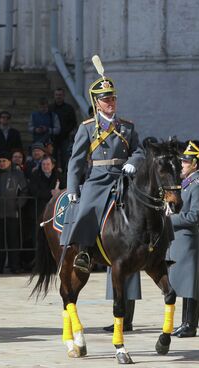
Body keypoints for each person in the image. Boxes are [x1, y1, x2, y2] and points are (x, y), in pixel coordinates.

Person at [61, 66, 144, 274]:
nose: (111, 103)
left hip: (124, 178)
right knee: (87, 210)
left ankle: (153, 247)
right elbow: (76, 160)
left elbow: (139, 151)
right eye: (106, 100)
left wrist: (133, 161)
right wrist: (72, 188)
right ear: (97, 103)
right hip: (99, 179)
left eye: (113, 99)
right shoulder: (87, 128)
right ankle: (84, 252)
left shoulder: (127, 127)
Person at [167, 142, 199, 338]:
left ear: (194, 164)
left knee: (190, 284)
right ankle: (184, 322)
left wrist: (169, 219)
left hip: (187, 239)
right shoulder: (185, 183)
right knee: (181, 284)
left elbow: (194, 217)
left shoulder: (198, 186)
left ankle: (191, 324)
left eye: (185, 162)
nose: (182, 165)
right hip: (178, 239)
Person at [0, 151, 28, 274]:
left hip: (12, 214)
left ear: (9, 161)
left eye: (4, 161)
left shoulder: (17, 174)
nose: (1, 163)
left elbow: (24, 191)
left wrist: (19, 204)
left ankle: (15, 266)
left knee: (13, 241)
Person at [49, 87, 77, 169]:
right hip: (52, 137)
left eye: (60, 95)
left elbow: (73, 123)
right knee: (52, 158)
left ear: (64, 96)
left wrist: (66, 132)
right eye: (57, 95)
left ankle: (64, 177)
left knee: (65, 158)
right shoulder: (50, 108)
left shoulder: (69, 108)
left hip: (65, 137)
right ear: (54, 96)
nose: (58, 97)